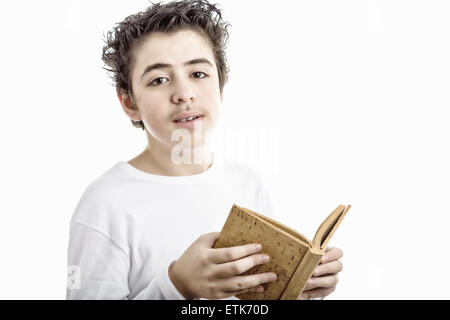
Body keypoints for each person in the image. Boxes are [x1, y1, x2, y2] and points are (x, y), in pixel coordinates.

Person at [66, 0, 343, 300]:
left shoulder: (247, 184)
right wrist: (175, 285)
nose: (184, 94)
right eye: (159, 79)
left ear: (221, 86)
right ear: (130, 103)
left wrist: (298, 291)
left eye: (198, 74)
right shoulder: (105, 204)